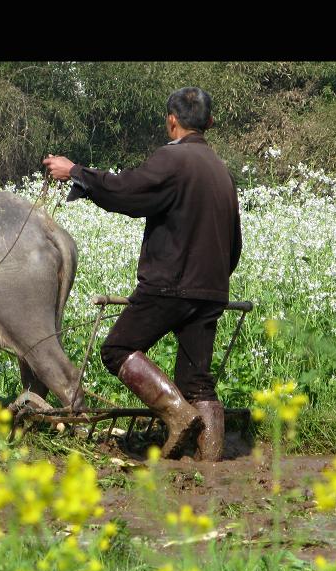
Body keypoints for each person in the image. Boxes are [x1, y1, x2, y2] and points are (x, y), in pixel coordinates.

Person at [43, 86, 242, 461]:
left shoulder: (174, 161)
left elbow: (127, 192)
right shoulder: (222, 172)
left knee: (117, 349)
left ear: (172, 121)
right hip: (212, 289)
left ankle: (177, 415)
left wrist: (75, 172)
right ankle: (214, 466)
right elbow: (234, 243)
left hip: (171, 285)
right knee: (197, 382)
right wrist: (212, 282)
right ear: (210, 122)